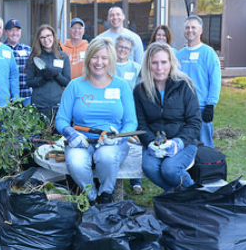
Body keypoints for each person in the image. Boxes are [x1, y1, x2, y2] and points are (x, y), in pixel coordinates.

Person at [55, 37, 137, 205]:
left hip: (111, 143)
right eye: (95, 57)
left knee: (106, 156)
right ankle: (91, 196)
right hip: (81, 141)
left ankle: (106, 194)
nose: (99, 62)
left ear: (111, 60)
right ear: (88, 58)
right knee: (76, 162)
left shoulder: (121, 86)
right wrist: (71, 134)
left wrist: (118, 137)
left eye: (104, 58)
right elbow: (61, 119)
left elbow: (131, 122)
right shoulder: (75, 85)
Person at [133, 42, 201, 192]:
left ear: (171, 63)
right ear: (148, 65)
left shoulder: (185, 85)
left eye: (164, 62)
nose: (159, 68)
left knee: (169, 169)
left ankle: (194, 194)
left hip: (184, 141)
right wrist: (151, 142)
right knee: (149, 167)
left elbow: (195, 122)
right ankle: (178, 197)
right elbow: (141, 124)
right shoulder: (140, 91)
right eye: (154, 63)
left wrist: (178, 143)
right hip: (155, 143)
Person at [175, 15, 222, 148]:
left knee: (205, 145)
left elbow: (215, 80)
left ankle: (208, 167)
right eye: (187, 27)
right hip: (182, 108)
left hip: (201, 107)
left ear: (200, 30)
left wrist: (210, 104)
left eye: (193, 27)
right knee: (185, 143)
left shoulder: (208, 53)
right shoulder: (180, 54)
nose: (190, 30)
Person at [114, 35, 143, 195]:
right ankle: (118, 183)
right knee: (117, 145)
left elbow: (140, 89)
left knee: (133, 145)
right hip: (113, 111)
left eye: (126, 48)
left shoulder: (136, 68)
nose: (123, 50)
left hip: (130, 111)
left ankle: (135, 181)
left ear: (130, 51)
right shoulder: (109, 66)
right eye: (120, 46)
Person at [25, 24, 71, 121]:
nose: (46, 40)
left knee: (57, 135)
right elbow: (29, 82)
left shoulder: (63, 56)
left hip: (58, 105)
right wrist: (43, 79)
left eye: (48, 36)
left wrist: (57, 75)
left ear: (53, 36)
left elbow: (67, 82)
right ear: (39, 40)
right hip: (39, 105)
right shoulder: (34, 57)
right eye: (42, 37)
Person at [3, 18, 32, 106]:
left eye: (17, 30)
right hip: (7, 97)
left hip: (26, 96)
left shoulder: (28, 50)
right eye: (11, 30)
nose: (15, 33)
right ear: (5, 32)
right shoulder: (1, 49)